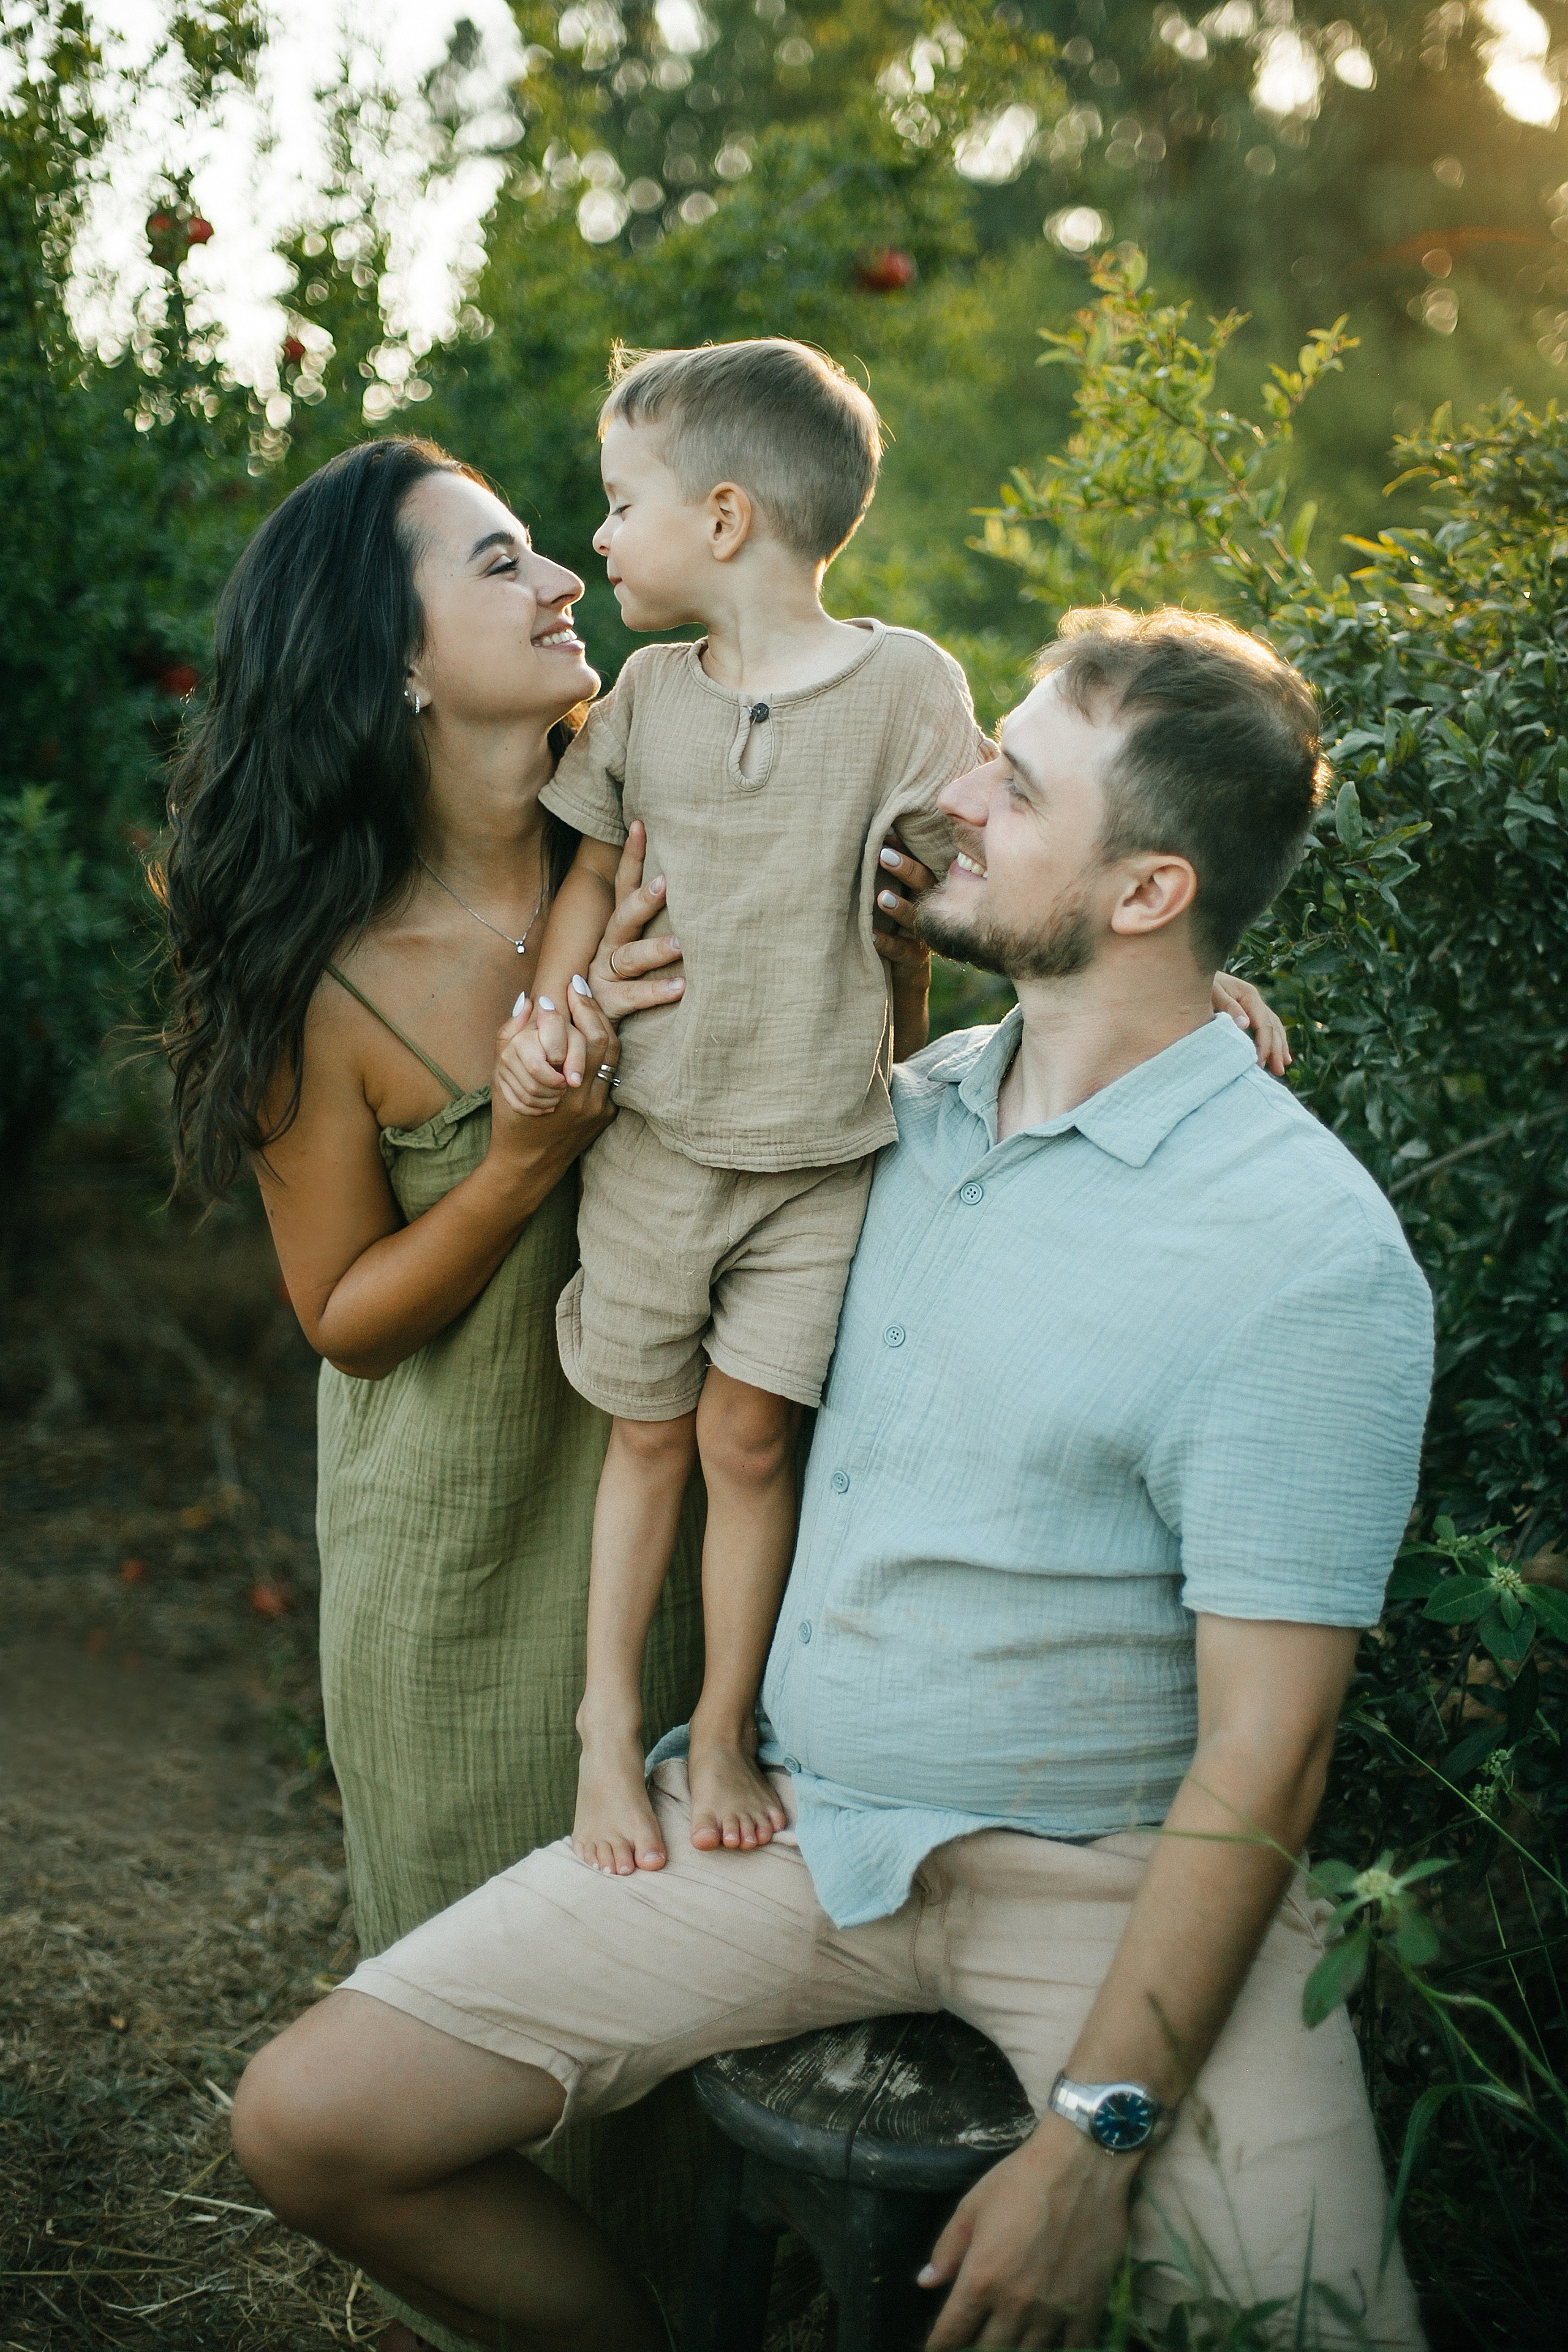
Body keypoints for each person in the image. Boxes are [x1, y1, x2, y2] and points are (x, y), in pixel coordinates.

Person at [228, 603, 1430, 2351]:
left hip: (1104, 1884)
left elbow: (1271, 1753)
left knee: (1323, 2330)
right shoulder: (906, 1115)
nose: (946, 794)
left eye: (1011, 786)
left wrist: (1097, 2140)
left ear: (1152, 894)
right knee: (309, 2124)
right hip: (794, 1830)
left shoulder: (1301, 1253)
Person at [502, 338, 1289, 1881]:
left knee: (746, 1442)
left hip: (820, 1162)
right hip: (657, 1144)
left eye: (617, 503)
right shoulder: (647, 696)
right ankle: (607, 1728)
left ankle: (721, 1722)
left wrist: (1194, 984)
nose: (596, 540)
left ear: (722, 520)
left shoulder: (905, 684)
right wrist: (556, 999)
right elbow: (588, 870)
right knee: (646, 1444)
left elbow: (1000, 862)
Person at [157, 435, 703, 2332]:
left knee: (700, 2023)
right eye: (499, 563)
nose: (563, 580)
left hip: (705, 1526)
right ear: (392, 661)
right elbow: (344, 1313)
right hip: (462, 1567)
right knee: (505, 2049)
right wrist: (522, 1167)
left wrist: (1167, 1000)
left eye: (550, 550)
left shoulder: (656, 836)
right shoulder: (328, 982)